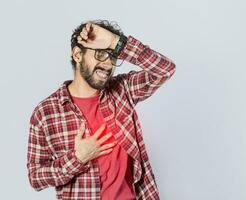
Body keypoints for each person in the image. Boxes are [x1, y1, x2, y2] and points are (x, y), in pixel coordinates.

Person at [26, 20, 176, 200]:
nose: (108, 65)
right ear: (77, 54)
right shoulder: (45, 113)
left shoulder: (122, 91)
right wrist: (77, 158)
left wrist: (117, 42)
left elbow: (165, 70)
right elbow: (35, 177)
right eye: (100, 54)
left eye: (112, 56)